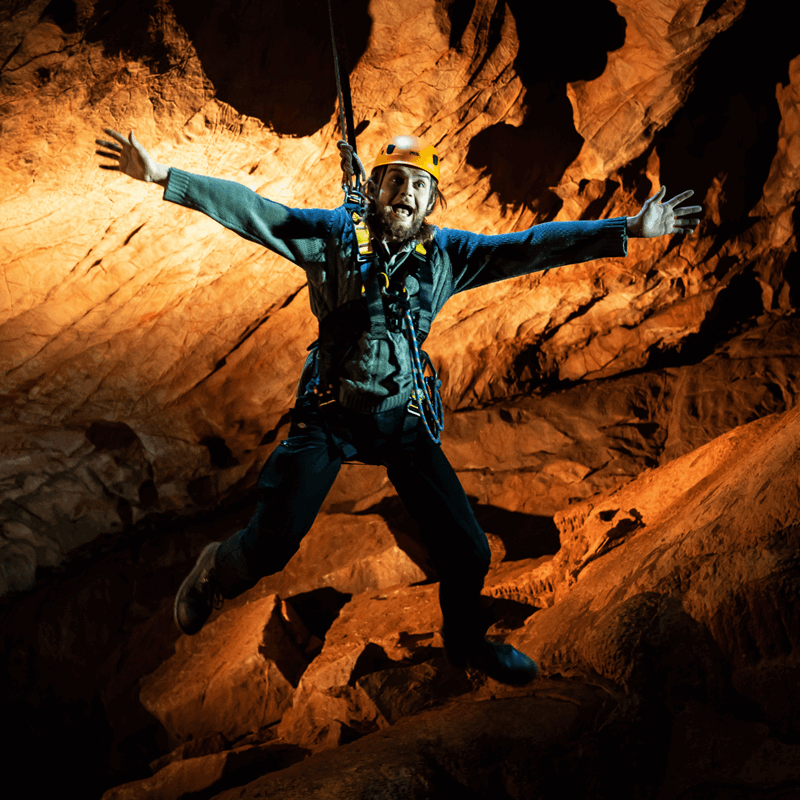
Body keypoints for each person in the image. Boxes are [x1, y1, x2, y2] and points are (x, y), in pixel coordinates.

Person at [96, 129, 701, 685]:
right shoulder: (332, 238)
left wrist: (625, 229)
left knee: (469, 550)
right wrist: (164, 178)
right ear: (374, 190)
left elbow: (529, 246)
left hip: (403, 422)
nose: (405, 192)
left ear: (430, 201)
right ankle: (213, 571)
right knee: (272, 546)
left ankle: (467, 644)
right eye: (393, 181)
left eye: (418, 185)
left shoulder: (444, 256)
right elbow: (257, 213)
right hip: (331, 418)